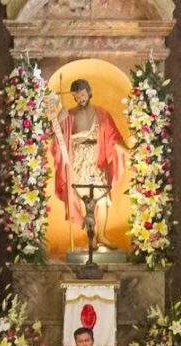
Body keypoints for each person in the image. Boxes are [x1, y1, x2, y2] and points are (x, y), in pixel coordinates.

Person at [50, 78, 127, 251]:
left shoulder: (101, 114)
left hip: (96, 157)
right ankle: (91, 237)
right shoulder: (69, 114)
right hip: (78, 160)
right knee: (86, 198)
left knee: (102, 198)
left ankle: (102, 234)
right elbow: (55, 136)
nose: (81, 99)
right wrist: (57, 118)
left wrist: (128, 150)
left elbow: (113, 137)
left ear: (89, 92)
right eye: (77, 96)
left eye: (83, 94)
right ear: (74, 97)